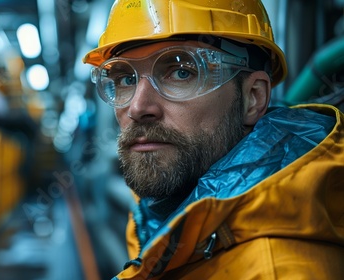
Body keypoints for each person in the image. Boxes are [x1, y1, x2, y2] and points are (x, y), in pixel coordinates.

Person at [83, 0, 344, 279]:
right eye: (125, 79)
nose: (137, 108)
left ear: (253, 98)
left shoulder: (276, 270)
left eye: (181, 72)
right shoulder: (164, 211)